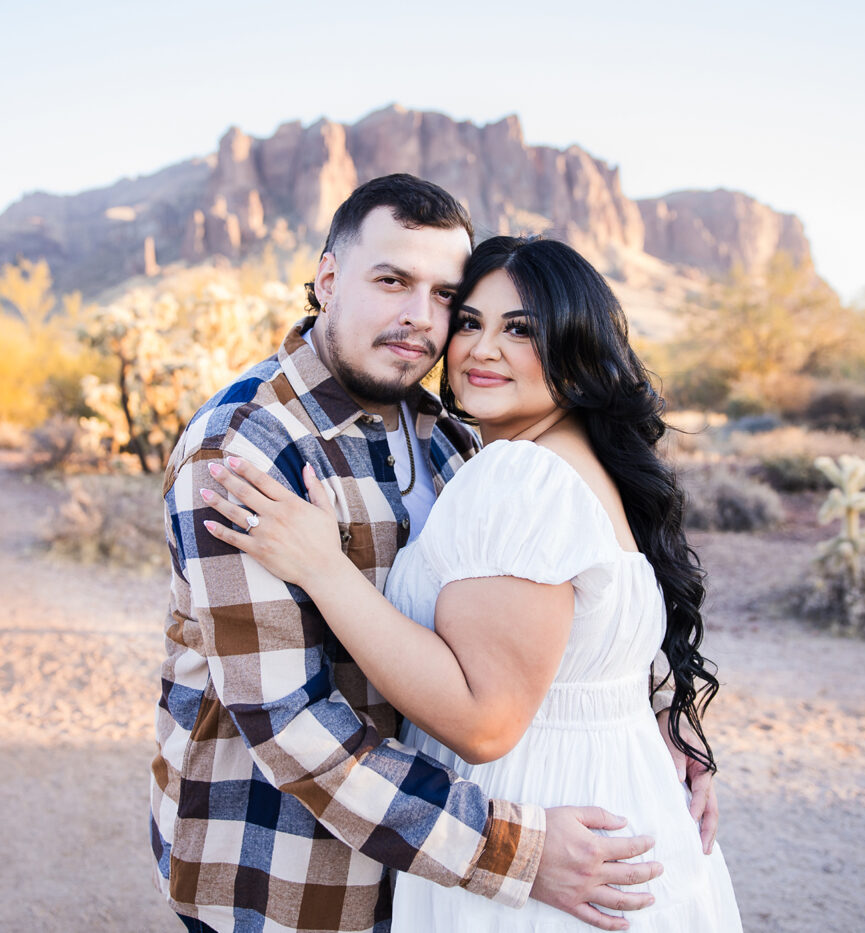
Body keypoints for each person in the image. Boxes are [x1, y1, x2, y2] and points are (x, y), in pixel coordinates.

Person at [152, 176, 671, 933]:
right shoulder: (249, 448)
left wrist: (662, 717)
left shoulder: (452, 433)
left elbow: (560, 596)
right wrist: (516, 851)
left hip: (435, 871)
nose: (418, 320)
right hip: (294, 879)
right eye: (392, 280)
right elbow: (290, 722)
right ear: (328, 280)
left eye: (443, 298)